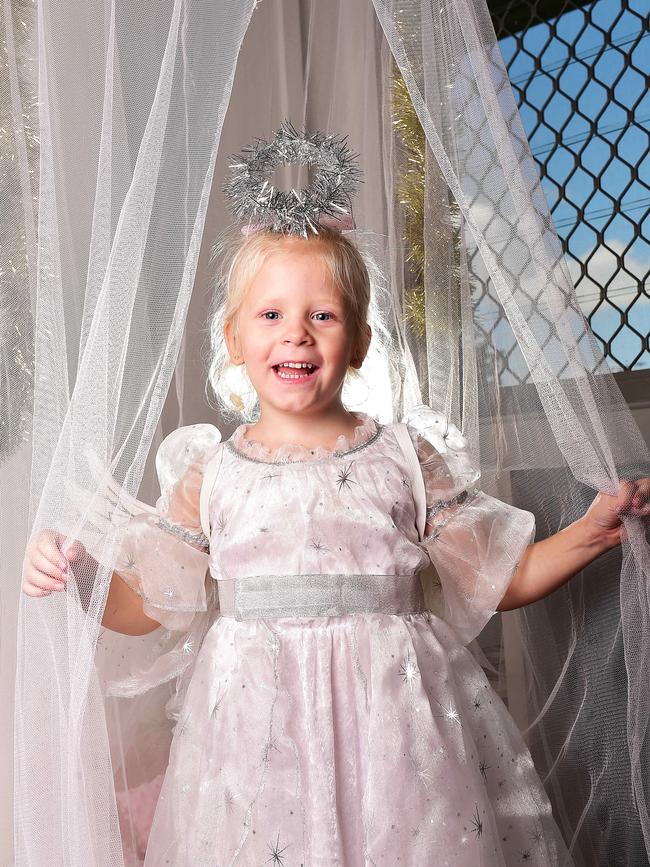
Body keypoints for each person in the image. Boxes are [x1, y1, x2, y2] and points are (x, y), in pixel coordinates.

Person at [21, 127, 650, 865]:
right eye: (271, 315)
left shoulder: (404, 454)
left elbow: (498, 577)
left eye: (323, 315)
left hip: (397, 731)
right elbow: (150, 604)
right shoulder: (209, 472)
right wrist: (84, 575)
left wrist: (592, 531)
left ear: (356, 342)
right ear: (233, 338)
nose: (298, 334)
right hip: (258, 741)